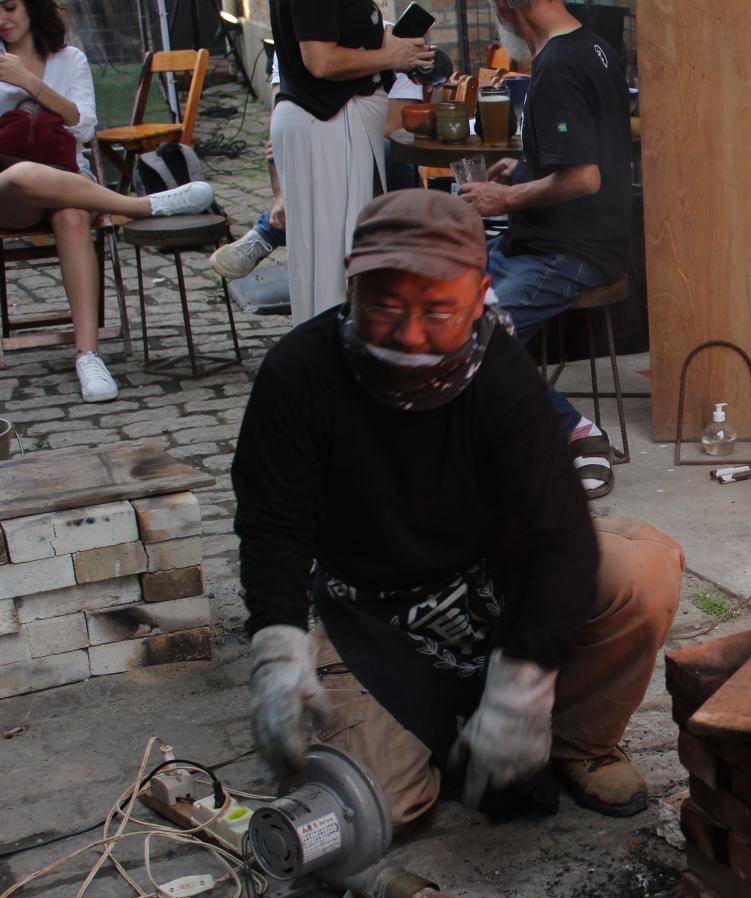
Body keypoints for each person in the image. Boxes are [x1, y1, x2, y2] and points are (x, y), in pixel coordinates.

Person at [231, 189, 684, 825]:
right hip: (373, 607)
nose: (411, 336)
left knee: (642, 572)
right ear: (351, 284)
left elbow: (561, 538)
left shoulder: (502, 377)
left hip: (492, 580)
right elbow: (272, 525)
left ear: (478, 299)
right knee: (372, 808)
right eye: (385, 306)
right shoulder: (298, 372)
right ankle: (438, 733)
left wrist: (522, 684)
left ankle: (576, 740)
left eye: (438, 311)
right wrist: (276, 644)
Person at [461, 0, 634, 499]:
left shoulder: (559, 64)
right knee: (432, 301)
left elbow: (584, 176)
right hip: (537, 240)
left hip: (570, 252)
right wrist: (524, 168)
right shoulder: (592, 45)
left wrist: (506, 197)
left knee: (477, 336)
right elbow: (584, 145)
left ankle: (578, 433)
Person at [0, 0, 213, 402]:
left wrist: (30, 82)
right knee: (24, 176)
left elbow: (83, 127)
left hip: (67, 178)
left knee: (71, 216)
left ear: (32, 8)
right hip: (8, 190)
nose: (2, 19)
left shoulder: (70, 59)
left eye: (10, 7)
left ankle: (88, 356)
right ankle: (140, 206)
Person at [268, 0, 433, 324]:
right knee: (335, 267)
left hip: (334, 121)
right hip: (327, 120)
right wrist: (391, 57)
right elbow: (321, 61)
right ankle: (332, 359)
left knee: (342, 259)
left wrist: (396, 48)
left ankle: (339, 356)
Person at [211, 45, 434, 279]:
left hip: (379, 163)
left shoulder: (396, 47)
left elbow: (393, 129)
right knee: (287, 141)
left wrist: (329, 141)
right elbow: (276, 135)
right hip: (323, 161)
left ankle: (269, 233)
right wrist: (281, 197)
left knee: (383, 151)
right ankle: (278, 221)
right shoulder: (294, 46)